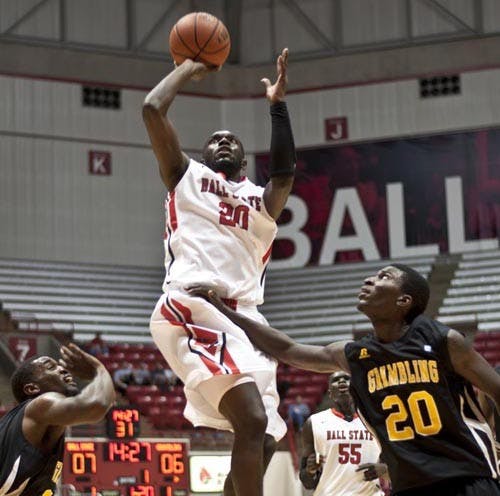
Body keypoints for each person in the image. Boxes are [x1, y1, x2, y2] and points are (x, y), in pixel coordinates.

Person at [188, 263, 500, 496]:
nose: (369, 280)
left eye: (384, 277)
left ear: (404, 301)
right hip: (410, 485)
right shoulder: (356, 355)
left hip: (465, 479)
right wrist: (221, 308)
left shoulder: (445, 341)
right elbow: (287, 349)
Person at [143, 47, 296, 496]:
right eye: (215, 139)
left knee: (266, 436)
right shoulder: (184, 176)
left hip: (246, 319)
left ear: (245, 163)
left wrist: (278, 106)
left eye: (231, 140)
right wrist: (188, 68)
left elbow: (284, 175)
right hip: (194, 303)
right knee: (250, 419)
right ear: (204, 154)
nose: (223, 142)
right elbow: (152, 109)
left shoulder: (259, 197)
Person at [0, 343, 115, 496]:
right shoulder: (41, 404)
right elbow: (97, 404)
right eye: (50, 367)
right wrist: (99, 370)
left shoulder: (31, 423)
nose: (63, 369)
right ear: (32, 389)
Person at [300, 371, 388, 496]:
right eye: (336, 380)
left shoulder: (375, 420)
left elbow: (397, 464)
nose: (341, 381)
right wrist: (310, 471)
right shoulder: (314, 422)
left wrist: (385, 470)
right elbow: (307, 483)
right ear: (330, 393)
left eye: (346, 378)